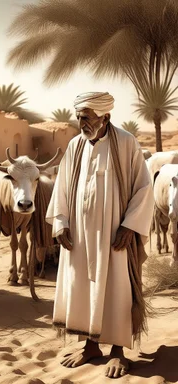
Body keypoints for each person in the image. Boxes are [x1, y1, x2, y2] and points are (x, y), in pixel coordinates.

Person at [46, 92, 154, 379]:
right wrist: (60, 222)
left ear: (105, 117)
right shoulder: (75, 145)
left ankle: (117, 350)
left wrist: (130, 225)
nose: (81, 123)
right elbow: (63, 187)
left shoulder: (127, 142)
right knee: (82, 284)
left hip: (115, 233)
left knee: (117, 286)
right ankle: (90, 346)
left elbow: (144, 188)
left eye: (87, 117)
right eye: (79, 117)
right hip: (79, 235)